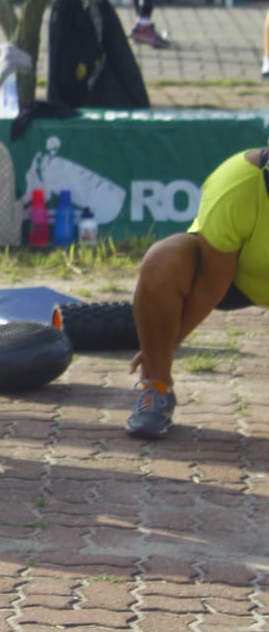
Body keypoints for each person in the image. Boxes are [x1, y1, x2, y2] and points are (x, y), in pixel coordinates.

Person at [124, 147, 269, 440]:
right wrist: (161, 351)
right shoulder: (238, 183)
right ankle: (158, 389)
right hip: (236, 277)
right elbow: (208, 287)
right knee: (163, 261)